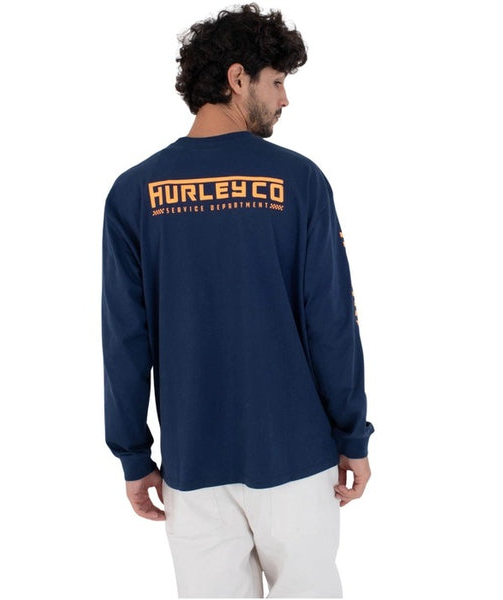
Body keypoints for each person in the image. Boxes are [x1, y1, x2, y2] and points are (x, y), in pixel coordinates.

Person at [101, 3, 375, 597]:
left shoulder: (134, 192)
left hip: (193, 465)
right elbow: (332, 322)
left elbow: (124, 338)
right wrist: (353, 435)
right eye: (276, 82)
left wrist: (133, 454)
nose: (284, 99)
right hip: (297, 459)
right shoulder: (298, 181)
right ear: (237, 78)